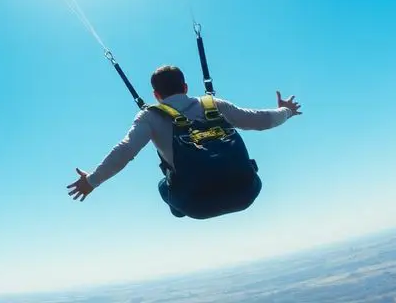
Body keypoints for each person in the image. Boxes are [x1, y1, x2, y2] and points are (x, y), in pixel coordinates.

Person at [66, 65, 302, 215]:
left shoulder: (150, 116)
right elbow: (262, 120)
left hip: (196, 204)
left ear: (156, 95)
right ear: (186, 87)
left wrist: (92, 181)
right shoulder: (214, 104)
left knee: (163, 186)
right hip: (247, 192)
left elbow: (125, 151)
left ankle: (179, 208)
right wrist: (287, 111)